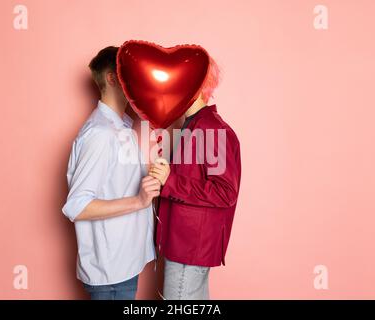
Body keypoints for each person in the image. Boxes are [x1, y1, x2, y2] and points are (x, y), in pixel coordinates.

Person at [62, 46, 160, 300]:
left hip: (123, 264)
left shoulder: (120, 128)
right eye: (131, 75)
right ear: (112, 78)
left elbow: (113, 180)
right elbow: (77, 206)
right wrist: (139, 200)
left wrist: (149, 174)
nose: (138, 83)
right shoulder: (101, 134)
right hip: (111, 272)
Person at [149, 58, 241, 300]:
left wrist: (170, 180)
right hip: (183, 246)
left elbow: (225, 192)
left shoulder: (210, 128)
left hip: (189, 250)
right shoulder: (193, 126)